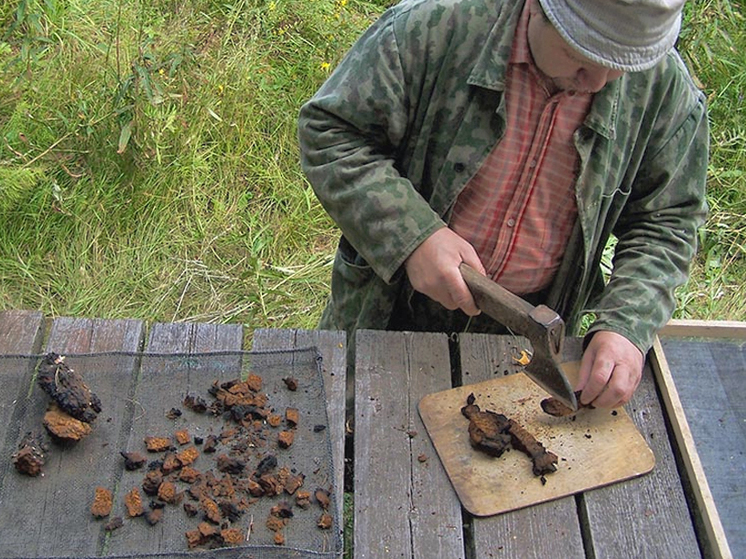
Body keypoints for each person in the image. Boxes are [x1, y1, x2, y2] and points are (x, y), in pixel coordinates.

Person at [298, 0, 708, 409]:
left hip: (528, 336)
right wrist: (411, 236)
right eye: (580, 53)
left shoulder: (664, 92)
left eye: (621, 64)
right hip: (388, 313)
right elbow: (332, 133)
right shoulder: (434, 27)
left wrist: (626, 323)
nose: (598, 81)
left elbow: (666, 222)